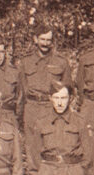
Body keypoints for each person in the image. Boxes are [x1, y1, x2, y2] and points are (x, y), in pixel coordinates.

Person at [18, 21, 73, 149]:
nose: (45, 43)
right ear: (35, 39)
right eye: (42, 39)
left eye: (48, 40)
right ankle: (33, 170)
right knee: (32, 147)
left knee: (52, 145)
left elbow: (68, 90)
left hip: (52, 108)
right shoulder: (26, 62)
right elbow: (21, 90)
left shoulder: (61, 62)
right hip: (32, 109)